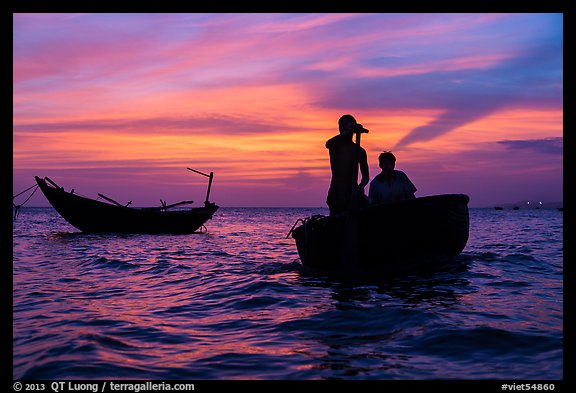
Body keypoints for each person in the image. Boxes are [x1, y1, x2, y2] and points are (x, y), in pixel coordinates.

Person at [325, 114, 370, 215]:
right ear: (340, 129)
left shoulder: (360, 151)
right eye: (343, 127)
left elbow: (366, 176)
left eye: (349, 127)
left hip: (353, 193)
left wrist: (360, 187)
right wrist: (345, 132)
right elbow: (327, 144)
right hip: (336, 193)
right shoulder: (335, 147)